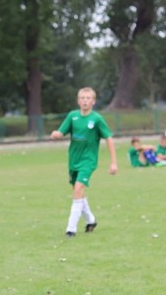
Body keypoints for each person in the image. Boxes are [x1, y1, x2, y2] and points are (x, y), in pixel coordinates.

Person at [50, 87, 118, 236]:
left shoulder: (97, 119)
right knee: (77, 192)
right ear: (78, 101)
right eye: (82, 98)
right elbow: (61, 132)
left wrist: (113, 162)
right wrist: (56, 134)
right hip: (74, 159)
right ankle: (91, 220)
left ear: (93, 102)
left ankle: (71, 229)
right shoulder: (72, 116)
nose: (85, 101)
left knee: (78, 188)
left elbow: (109, 138)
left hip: (89, 160)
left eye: (88, 98)